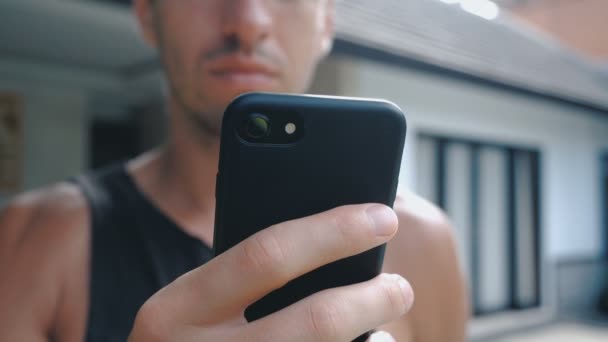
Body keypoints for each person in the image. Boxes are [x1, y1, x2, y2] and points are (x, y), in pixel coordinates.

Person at [0, 0, 468, 341]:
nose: (248, 24)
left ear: (326, 23)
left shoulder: (424, 242)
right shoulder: (36, 241)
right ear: (147, 13)